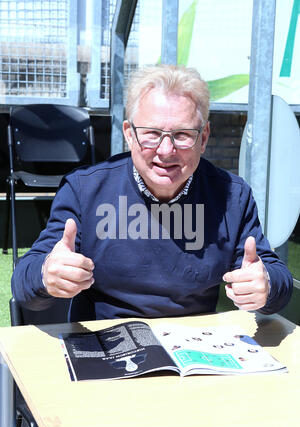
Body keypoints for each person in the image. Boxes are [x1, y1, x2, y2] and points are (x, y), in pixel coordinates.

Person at [11, 64, 293, 322]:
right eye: (152, 133)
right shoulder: (85, 190)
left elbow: (277, 277)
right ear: (129, 134)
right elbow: (24, 283)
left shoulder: (232, 196)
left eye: (183, 135)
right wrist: (46, 274)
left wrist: (266, 284)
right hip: (107, 346)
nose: (166, 150)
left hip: (195, 352)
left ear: (204, 138)